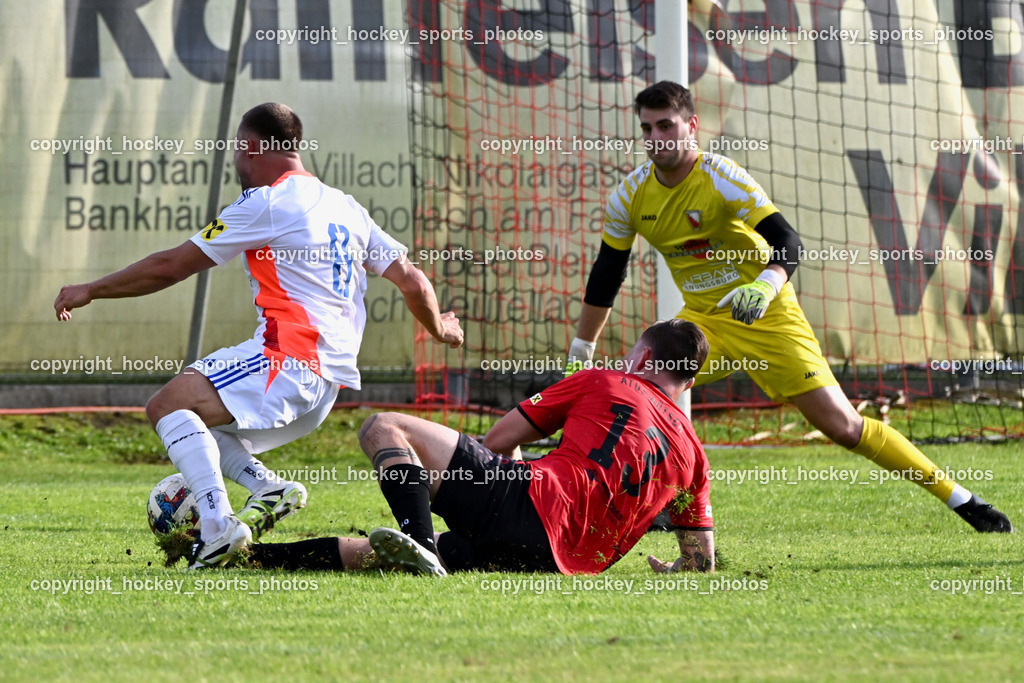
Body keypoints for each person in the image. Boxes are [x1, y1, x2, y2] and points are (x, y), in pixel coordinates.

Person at [568, 81, 1011, 533]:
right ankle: (638, 506)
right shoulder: (629, 195)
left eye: (667, 125)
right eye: (647, 128)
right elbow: (608, 272)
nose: (656, 138)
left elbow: (787, 240)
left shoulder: (720, 175)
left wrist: (764, 285)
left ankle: (964, 501)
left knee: (844, 428)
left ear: (691, 126)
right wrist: (583, 346)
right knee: (634, 390)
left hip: (768, 315)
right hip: (703, 324)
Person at [54, 103, 465, 569]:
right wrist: (440, 328)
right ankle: (267, 487)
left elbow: (171, 266)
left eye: (236, 151)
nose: (235, 161)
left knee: (167, 407)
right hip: (325, 388)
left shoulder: (267, 202)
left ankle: (216, 528)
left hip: (286, 361)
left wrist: (91, 289)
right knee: (199, 424)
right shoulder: (347, 207)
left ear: (249, 148)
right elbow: (413, 281)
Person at [248, 319, 715, 576]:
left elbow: (498, 440)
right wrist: (676, 568)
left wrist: (517, 479)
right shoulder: (695, 454)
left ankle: (420, 544)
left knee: (382, 426)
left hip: (529, 505)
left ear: (644, 358)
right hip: (558, 565)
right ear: (687, 382)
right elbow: (701, 561)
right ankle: (252, 557)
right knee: (375, 555)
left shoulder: (604, 380)